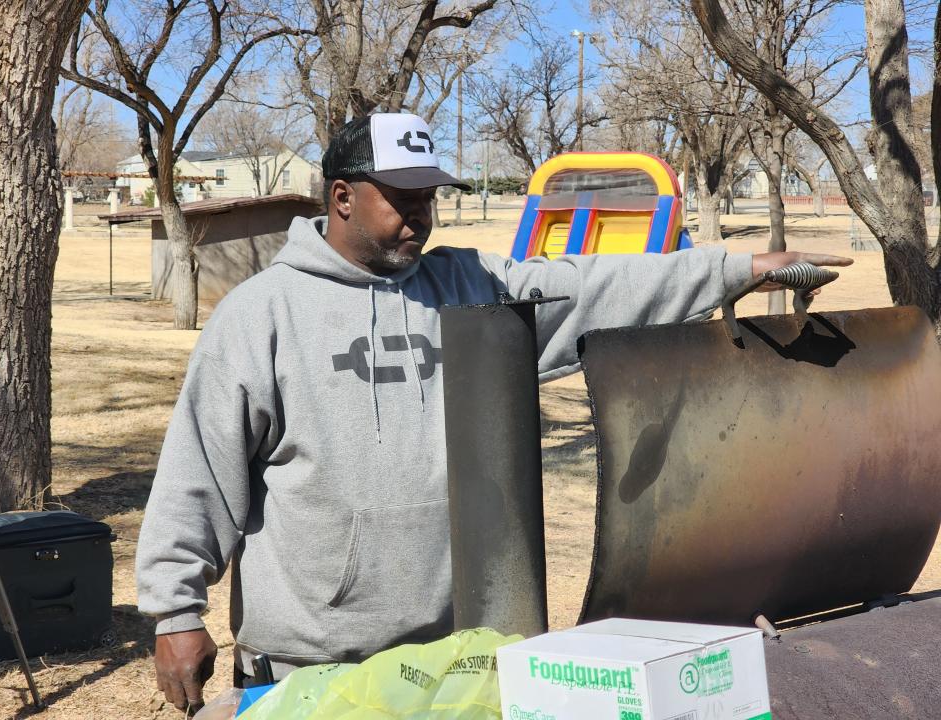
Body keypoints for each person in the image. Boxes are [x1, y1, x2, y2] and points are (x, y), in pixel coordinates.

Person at [136, 112, 850, 712]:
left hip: (454, 659)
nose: (421, 211)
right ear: (343, 196)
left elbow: (595, 285)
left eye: (429, 195)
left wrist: (739, 270)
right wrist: (175, 612)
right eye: (402, 195)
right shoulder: (263, 313)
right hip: (311, 672)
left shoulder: (470, 288)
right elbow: (199, 468)